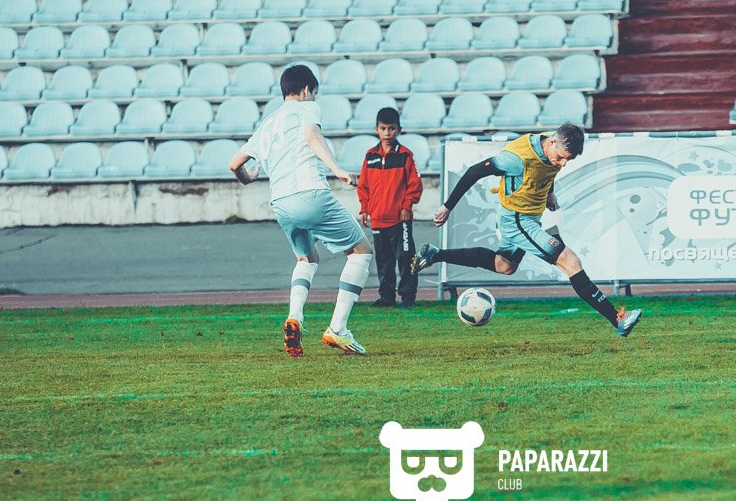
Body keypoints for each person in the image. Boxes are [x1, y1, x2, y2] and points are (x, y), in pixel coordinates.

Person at [411, 123, 642, 337]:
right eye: (561, 157)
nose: (562, 164)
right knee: (570, 262)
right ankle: (617, 319)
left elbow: (545, 170)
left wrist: (549, 192)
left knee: (504, 265)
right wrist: (447, 207)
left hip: (527, 218)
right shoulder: (516, 159)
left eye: (568, 160)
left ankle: (435, 255)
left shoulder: (551, 150)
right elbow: (474, 172)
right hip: (518, 221)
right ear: (552, 142)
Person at [228, 64, 371, 357]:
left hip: (281, 204)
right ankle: (338, 329)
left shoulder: (267, 123)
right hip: (310, 194)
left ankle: (295, 318)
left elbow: (234, 164)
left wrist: (248, 178)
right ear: (307, 90)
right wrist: (337, 170)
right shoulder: (307, 108)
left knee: (307, 258)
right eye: (313, 93)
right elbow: (312, 136)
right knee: (361, 251)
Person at [357, 107, 424, 308]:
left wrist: (407, 206)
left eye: (392, 128)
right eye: (383, 128)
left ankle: (408, 296)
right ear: (376, 129)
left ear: (399, 130)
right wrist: (364, 208)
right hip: (378, 219)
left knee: (405, 258)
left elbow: (415, 185)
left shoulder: (405, 155)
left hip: (400, 219)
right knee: (384, 260)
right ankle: (387, 297)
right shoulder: (370, 156)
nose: (387, 133)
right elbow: (363, 186)